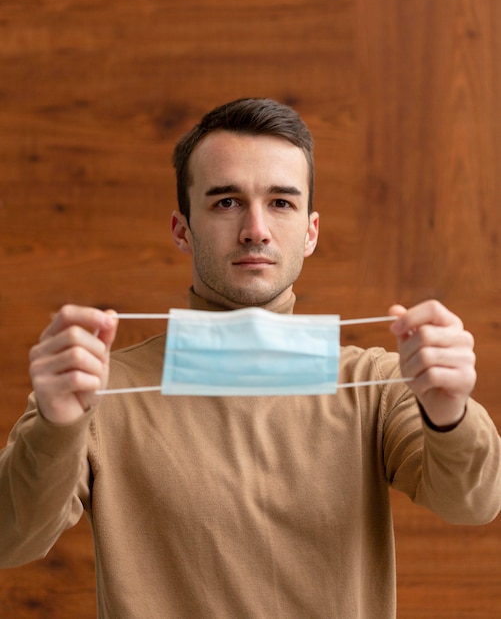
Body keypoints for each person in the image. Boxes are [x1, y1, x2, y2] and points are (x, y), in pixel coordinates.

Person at [1, 97, 500, 618]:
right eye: (226, 202)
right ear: (181, 229)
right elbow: (10, 540)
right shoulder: (96, 391)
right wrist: (58, 424)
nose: (255, 229)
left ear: (310, 232)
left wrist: (450, 413)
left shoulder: (378, 382)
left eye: (281, 202)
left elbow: (474, 503)